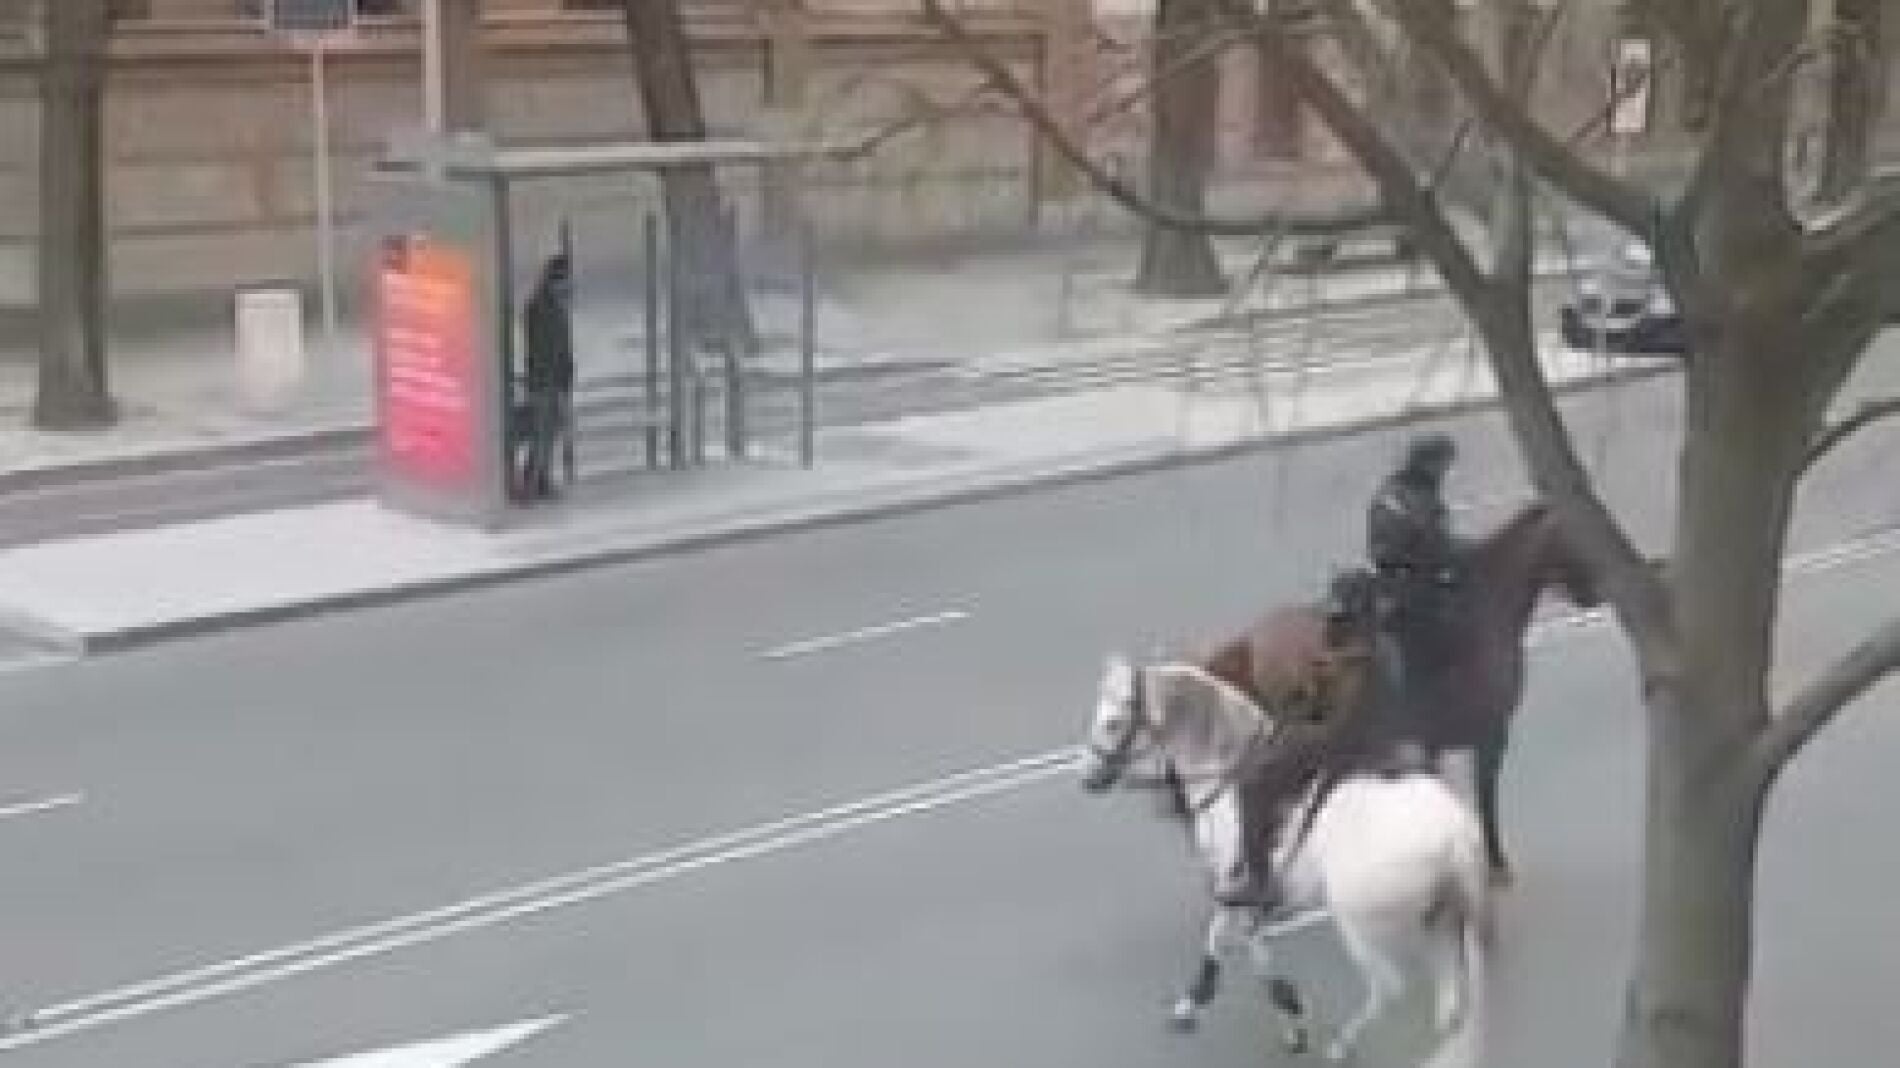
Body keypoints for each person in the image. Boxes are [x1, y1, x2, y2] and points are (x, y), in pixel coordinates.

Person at [1365, 432, 1463, 686]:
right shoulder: (1405, 496)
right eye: (1443, 463)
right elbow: (1428, 539)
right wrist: (1459, 553)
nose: (1445, 471)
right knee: (1435, 624)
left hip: (1411, 574)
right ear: (1426, 462)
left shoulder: (1415, 493)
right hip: (1405, 581)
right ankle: (1425, 686)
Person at [521, 253, 575, 501]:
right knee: (541, 435)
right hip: (544, 381)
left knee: (549, 433)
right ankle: (530, 484)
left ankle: (540, 480)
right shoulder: (541, 308)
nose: (568, 285)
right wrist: (555, 380)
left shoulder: (555, 307)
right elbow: (546, 349)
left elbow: (562, 348)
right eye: (565, 280)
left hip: (553, 380)